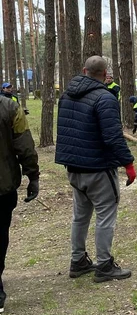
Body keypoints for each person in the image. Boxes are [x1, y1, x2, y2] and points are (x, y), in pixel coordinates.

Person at [56, 55, 136, 283]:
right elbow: (113, 136)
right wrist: (128, 163)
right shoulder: (105, 98)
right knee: (105, 216)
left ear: (84, 70)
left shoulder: (67, 95)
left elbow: (65, 131)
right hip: (98, 168)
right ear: (104, 74)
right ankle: (104, 265)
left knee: (80, 216)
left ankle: (78, 260)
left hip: (74, 168)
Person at [0, 93, 39, 313]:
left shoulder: (11, 108)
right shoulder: (10, 107)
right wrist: (33, 176)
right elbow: (24, 145)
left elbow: (24, 144)